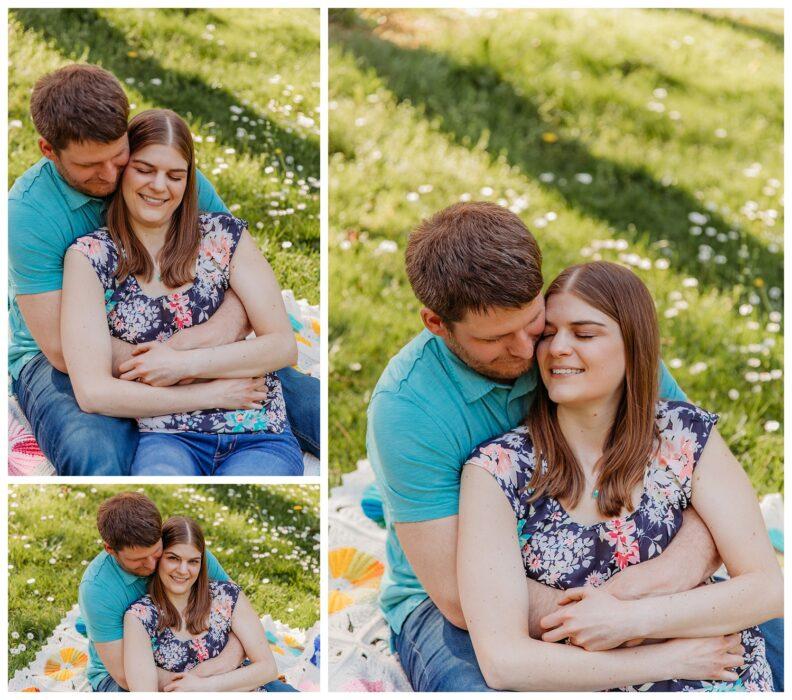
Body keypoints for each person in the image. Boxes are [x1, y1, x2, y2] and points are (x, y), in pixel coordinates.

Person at [366, 201, 783, 691]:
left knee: (767, 650)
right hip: (461, 602)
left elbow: (689, 477)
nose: (530, 351)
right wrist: (614, 629)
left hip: (632, 581)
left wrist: (641, 600)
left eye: (532, 322)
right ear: (437, 323)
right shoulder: (409, 410)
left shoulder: (590, 348)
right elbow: (462, 600)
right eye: (498, 339)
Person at [459, 261, 782, 691]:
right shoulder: (497, 470)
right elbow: (504, 662)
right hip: (596, 679)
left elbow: (766, 588)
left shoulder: (684, 435)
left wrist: (629, 618)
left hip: (714, 670)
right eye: (549, 333)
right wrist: (664, 657)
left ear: (634, 346)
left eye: (585, 334)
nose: (557, 348)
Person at [8, 64, 319, 476]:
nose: (111, 175)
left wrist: (191, 352)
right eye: (91, 165)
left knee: (310, 406)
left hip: (189, 340)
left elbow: (229, 264)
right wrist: (188, 380)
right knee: (96, 453)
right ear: (49, 150)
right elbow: (65, 353)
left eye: (118, 155)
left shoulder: (159, 172)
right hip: (66, 355)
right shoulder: (29, 214)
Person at [61, 108, 303, 476]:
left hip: (258, 430)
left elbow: (282, 346)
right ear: (123, 170)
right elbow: (93, 392)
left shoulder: (224, 236)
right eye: (145, 169)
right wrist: (208, 394)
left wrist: (181, 362)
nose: (160, 186)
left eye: (175, 176)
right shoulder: (90, 258)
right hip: (167, 437)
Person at [78, 493, 241, 692]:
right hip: (126, 678)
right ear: (110, 549)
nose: (151, 565)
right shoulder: (97, 589)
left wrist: (212, 673)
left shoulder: (186, 554)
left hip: (204, 665)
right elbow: (123, 675)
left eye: (156, 552)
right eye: (138, 560)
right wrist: (192, 685)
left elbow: (237, 610)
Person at [124, 516, 295, 692]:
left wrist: (204, 686)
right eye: (173, 558)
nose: (183, 570)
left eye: (193, 561)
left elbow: (267, 668)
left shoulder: (227, 596)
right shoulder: (140, 617)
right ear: (159, 558)